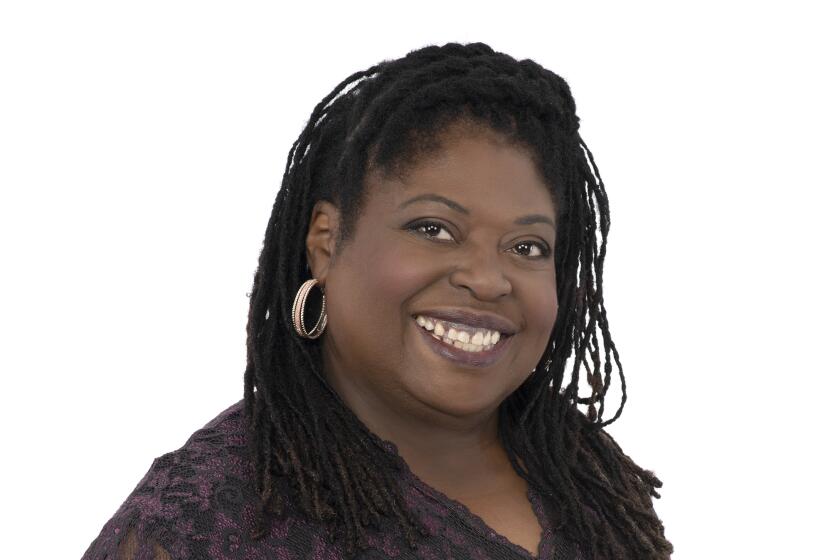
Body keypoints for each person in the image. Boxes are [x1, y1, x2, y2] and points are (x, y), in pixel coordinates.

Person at [81, 42, 672, 560]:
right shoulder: (201, 522)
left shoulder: (585, 477)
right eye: (433, 229)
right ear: (326, 242)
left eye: (527, 245)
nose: (490, 280)